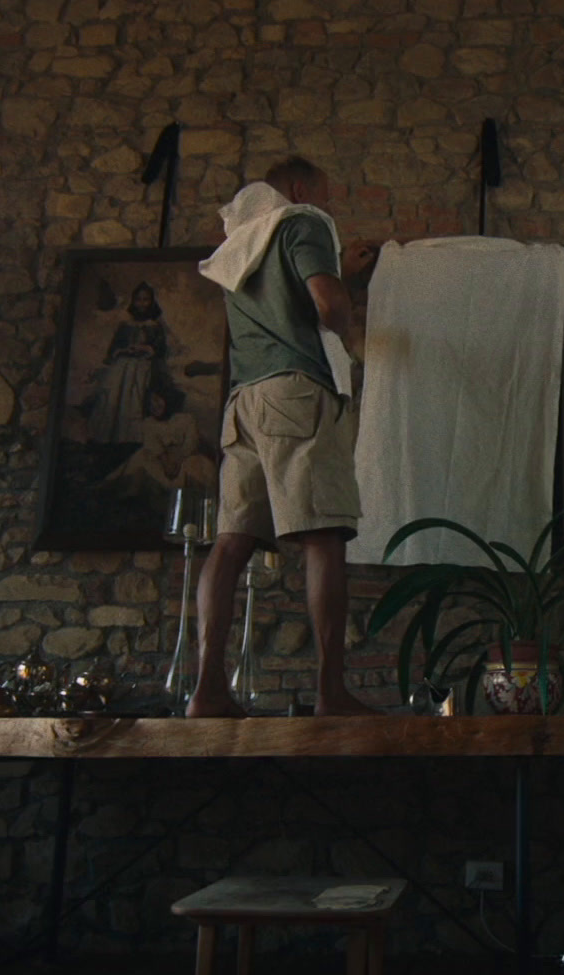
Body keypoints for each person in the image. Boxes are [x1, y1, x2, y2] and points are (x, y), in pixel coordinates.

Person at [187, 156, 379, 718]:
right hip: (297, 393)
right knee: (323, 537)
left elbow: (278, 304)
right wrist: (345, 314)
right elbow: (327, 302)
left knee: (231, 542)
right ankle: (331, 693)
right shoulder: (302, 222)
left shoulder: (241, 245)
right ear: (297, 189)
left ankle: (207, 692)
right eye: (324, 193)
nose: (328, 205)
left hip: (244, 403)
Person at [86, 281, 169, 444]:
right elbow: (113, 350)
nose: (142, 303)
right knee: (113, 398)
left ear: (151, 302)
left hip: (142, 369)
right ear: (134, 301)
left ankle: (130, 440)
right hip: (122, 368)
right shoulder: (125, 325)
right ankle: (106, 439)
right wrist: (125, 350)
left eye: (146, 299)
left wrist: (145, 348)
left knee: (135, 401)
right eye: (139, 299)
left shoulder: (155, 327)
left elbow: (160, 351)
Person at [99, 383, 216, 497]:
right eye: (149, 404)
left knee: (196, 466)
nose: (154, 406)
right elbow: (154, 446)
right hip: (164, 463)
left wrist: (179, 460)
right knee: (142, 456)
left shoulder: (186, 419)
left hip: (185, 458)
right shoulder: (149, 423)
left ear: (165, 397)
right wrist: (166, 463)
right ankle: (110, 484)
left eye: (156, 400)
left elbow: (191, 443)